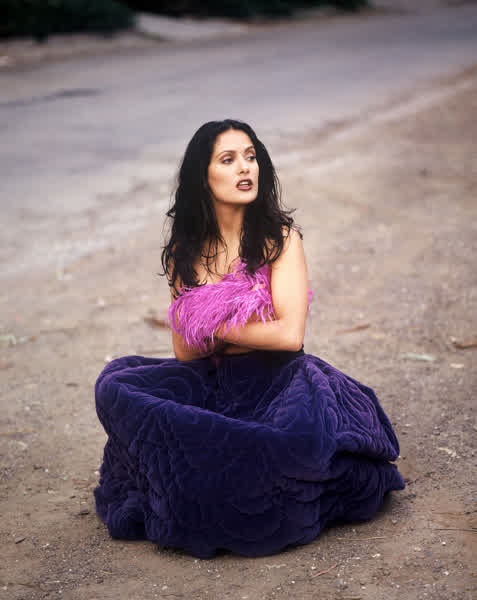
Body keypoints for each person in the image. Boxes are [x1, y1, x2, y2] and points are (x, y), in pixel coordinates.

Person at [94, 119, 404, 559]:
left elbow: (288, 335)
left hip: (280, 380)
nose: (245, 168)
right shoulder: (187, 251)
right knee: (116, 385)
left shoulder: (280, 240)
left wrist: (212, 319)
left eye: (251, 156)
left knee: (288, 444)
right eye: (228, 159)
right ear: (203, 176)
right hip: (215, 379)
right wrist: (214, 325)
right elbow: (186, 352)